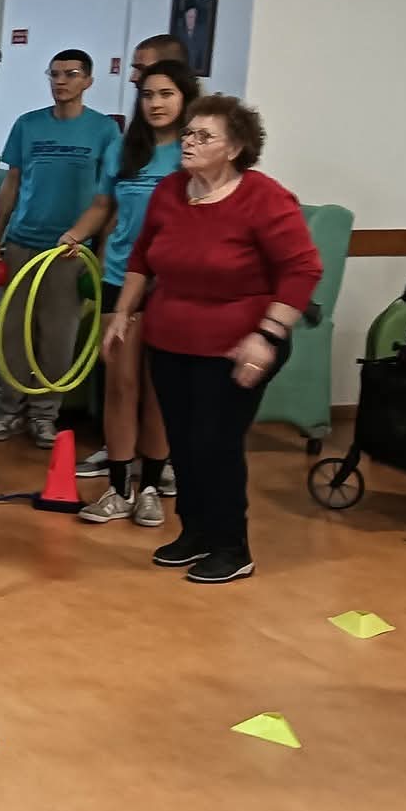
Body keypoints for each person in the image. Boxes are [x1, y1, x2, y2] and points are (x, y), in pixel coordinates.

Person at [104, 95, 320, 584]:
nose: (189, 142)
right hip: (171, 340)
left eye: (204, 136)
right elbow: (142, 256)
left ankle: (231, 546)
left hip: (239, 345)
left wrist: (267, 335)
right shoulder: (170, 190)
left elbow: (303, 269)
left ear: (235, 148)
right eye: (188, 133)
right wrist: (122, 313)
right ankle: (195, 532)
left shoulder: (265, 197)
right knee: (182, 442)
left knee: (215, 443)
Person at [61, 60, 194, 526]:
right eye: (148, 94)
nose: (155, 103)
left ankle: (152, 486)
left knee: (158, 389)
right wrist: (74, 236)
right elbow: (103, 206)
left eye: (166, 94)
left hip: (173, 284)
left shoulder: (193, 152)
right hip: (121, 278)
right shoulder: (124, 148)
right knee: (120, 385)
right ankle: (119, 489)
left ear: (185, 99)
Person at [0, 48, 120, 447]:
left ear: (88, 81)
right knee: (11, 333)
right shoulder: (28, 125)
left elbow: (108, 200)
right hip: (23, 242)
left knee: (58, 336)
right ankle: (8, 412)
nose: (61, 81)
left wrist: (102, 253)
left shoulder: (104, 131)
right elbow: (11, 184)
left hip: (70, 251)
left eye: (71, 74)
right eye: (55, 74)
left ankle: (44, 416)